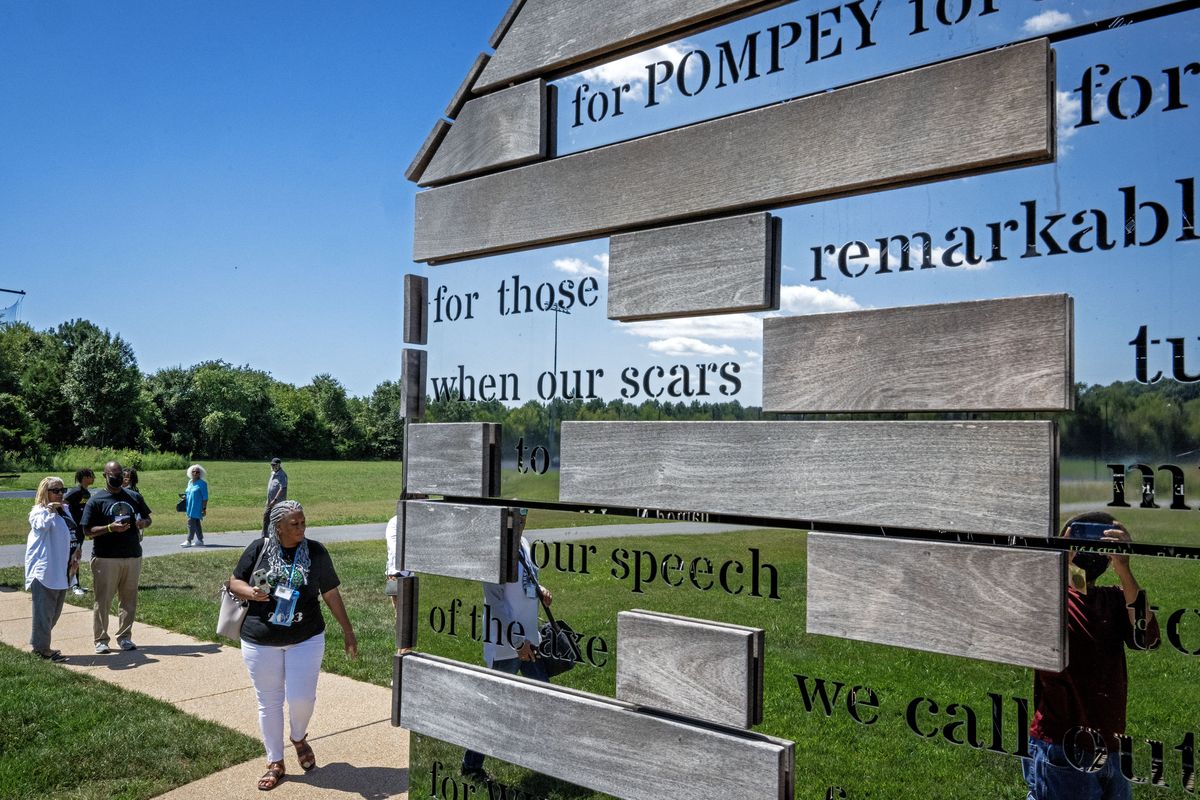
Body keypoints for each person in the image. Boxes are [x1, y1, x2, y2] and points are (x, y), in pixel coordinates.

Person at [1023, 512, 1160, 800]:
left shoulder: (1114, 598)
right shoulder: (1052, 597)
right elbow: (1030, 608)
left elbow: (1148, 637)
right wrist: (1061, 563)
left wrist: (1124, 567)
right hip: (1063, 747)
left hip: (1111, 746)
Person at [228, 500, 358, 791]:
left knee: (302, 699)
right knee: (269, 701)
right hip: (260, 639)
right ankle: (275, 761)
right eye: (294, 524)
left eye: (303, 522)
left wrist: (347, 630)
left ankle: (298, 737)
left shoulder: (315, 551)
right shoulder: (258, 548)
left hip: (306, 637)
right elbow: (233, 581)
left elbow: (331, 592)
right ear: (278, 527)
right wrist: (250, 592)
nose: (301, 528)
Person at [461, 521, 553, 783]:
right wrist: (517, 643)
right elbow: (496, 604)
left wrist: (540, 589)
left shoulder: (523, 544)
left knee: (545, 696)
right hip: (507, 647)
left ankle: (550, 760)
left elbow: (527, 580)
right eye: (516, 517)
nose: (521, 522)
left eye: (524, 516)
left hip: (529, 639)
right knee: (494, 706)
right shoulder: (494, 551)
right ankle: (471, 765)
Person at [81, 461, 151, 654]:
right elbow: (87, 530)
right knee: (103, 600)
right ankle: (101, 639)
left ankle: (125, 637)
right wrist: (110, 528)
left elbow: (148, 518)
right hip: (106, 558)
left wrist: (142, 523)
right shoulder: (96, 500)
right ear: (105, 475)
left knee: (128, 600)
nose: (118, 477)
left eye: (120, 473)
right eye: (113, 474)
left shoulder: (134, 496)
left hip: (132, 555)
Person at [26, 477, 76, 662]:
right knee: (44, 613)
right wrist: (49, 508)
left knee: (54, 613)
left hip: (61, 570)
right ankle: (42, 649)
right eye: (56, 490)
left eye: (63, 490)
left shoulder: (64, 511)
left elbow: (71, 532)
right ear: (45, 493)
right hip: (45, 571)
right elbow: (41, 525)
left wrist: (75, 551)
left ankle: (38, 642)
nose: (61, 494)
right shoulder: (38, 512)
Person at [62, 467, 94, 596]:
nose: (94, 478)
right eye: (92, 476)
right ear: (85, 477)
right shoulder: (75, 491)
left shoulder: (86, 493)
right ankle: (73, 585)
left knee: (76, 555)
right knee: (73, 556)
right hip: (73, 530)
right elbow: (63, 502)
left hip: (81, 530)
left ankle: (74, 583)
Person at [180, 464, 209, 547]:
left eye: (197, 472)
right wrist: (184, 496)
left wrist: (204, 508)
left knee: (190, 522)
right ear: (191, 473)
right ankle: (200, 540)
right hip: (189, 506)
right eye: (193, 471)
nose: (195, 473)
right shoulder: (190, 482)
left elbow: (205, 498)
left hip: (197, 507)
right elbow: (188, 493)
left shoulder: (203, 484)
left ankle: (188, 540)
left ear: (200, 473)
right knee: (196, 523)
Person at [261, 457, 288, 536]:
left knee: (277, 520)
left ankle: (279, 536)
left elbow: (282, 488)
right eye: (271, 465)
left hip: (278, 503)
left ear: (279, 465)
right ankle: (264, 536)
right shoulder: (273, 473)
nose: (272, 466)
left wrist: (275, 499)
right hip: (270, 501)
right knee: (266, 517)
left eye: (274, 465)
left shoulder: (282, 475)